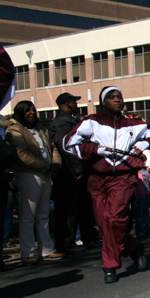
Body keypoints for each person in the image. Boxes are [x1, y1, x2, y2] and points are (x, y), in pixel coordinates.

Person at [63, 86, 150, 283]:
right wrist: (95, 150)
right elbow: (68, 143)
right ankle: (133, 248)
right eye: (111, 97)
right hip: (96, 178)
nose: (117, 100)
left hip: (123, 177)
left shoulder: (134, 123)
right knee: (104, 224)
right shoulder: (91, 122)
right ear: (103, 102)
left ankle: (110, 265)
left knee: (113, 218)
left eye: (119, 96)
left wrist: (145, 143)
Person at [1, 101, 64, 265]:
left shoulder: (40, 128)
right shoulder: (14, 130)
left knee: (43, 214)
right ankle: (27, 252)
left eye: (33, 109)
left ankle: (47, 250)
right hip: (28, 174)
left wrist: (56, 163)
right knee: (28, 215)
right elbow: (22, 154)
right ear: (20, 113)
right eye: (27, 110)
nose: (31, 112)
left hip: (46, 173)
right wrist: (46, 165)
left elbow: (52, 147)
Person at [50, 93, 96, 254]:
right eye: (74, 102)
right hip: (68, 173)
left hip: (75, 171)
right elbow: (67, 146)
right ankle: (66, 242)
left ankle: (88, 236)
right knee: (69, 209)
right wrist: (78, 169)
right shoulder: (63, 122)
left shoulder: (70, 120)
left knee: (83, 206)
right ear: (68, 104)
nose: (77, 105)